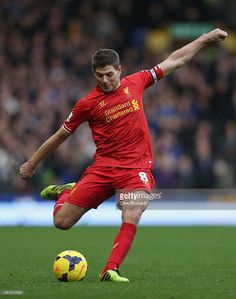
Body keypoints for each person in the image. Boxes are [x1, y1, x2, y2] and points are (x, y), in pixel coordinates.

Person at [19, 28, 227, 282]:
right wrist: (32, 163)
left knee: (132, 210)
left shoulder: (136, 82)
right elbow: (60, 135)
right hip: (103, 169)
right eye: (99, 76)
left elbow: (177, 59)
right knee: (61, 222)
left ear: (120, 70)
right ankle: (66, 192)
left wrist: (205, 39)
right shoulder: (87, 104)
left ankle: (110, 269)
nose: (105, 81)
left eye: (109, 75)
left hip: (135, 169)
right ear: (94, 74)